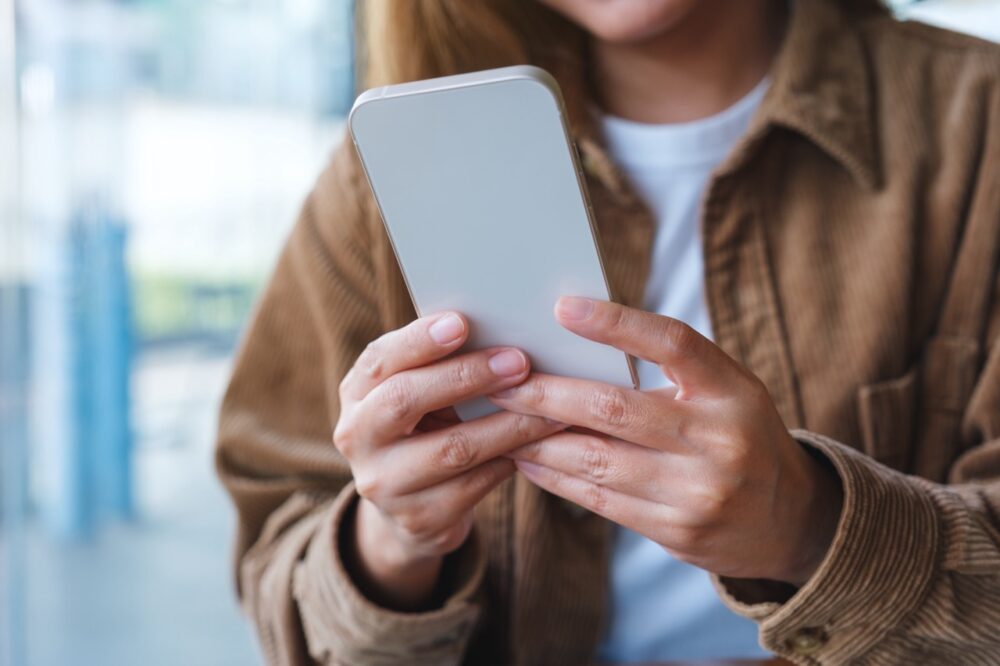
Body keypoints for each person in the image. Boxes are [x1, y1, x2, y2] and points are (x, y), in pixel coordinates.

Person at [215, 0, 1000, 663]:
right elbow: (277, 543)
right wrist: (390, 544)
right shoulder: (378, 188)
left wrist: (809, 528)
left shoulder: (978, 130)